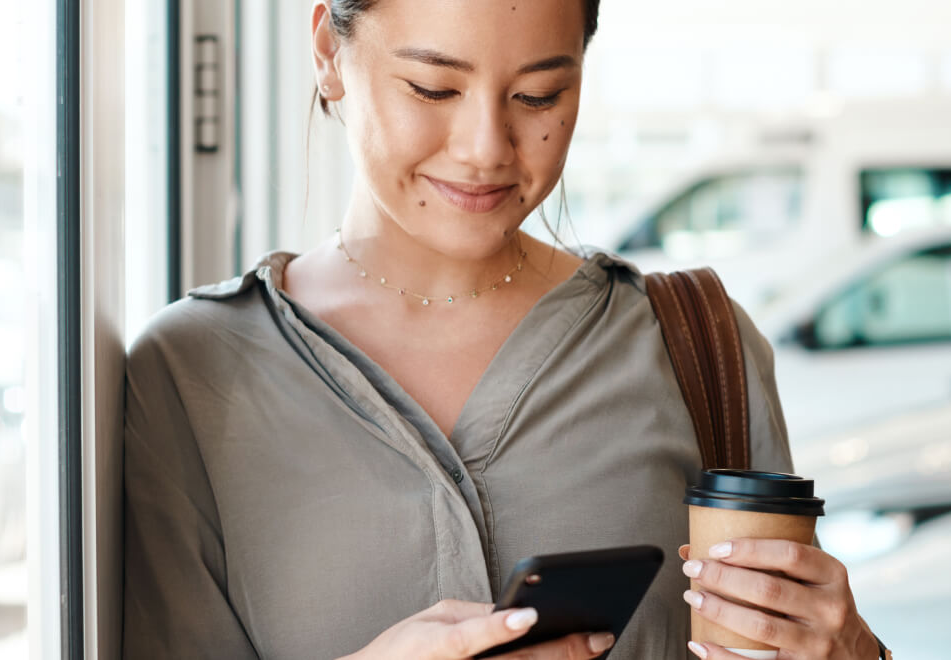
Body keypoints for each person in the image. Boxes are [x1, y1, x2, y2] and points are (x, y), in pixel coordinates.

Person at [122, 1, 885, 658]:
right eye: (433, 87)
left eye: (538, 94)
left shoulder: (698, 349)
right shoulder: (190, 374)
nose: (486, 147)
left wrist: (853, 651)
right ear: (328, 52)